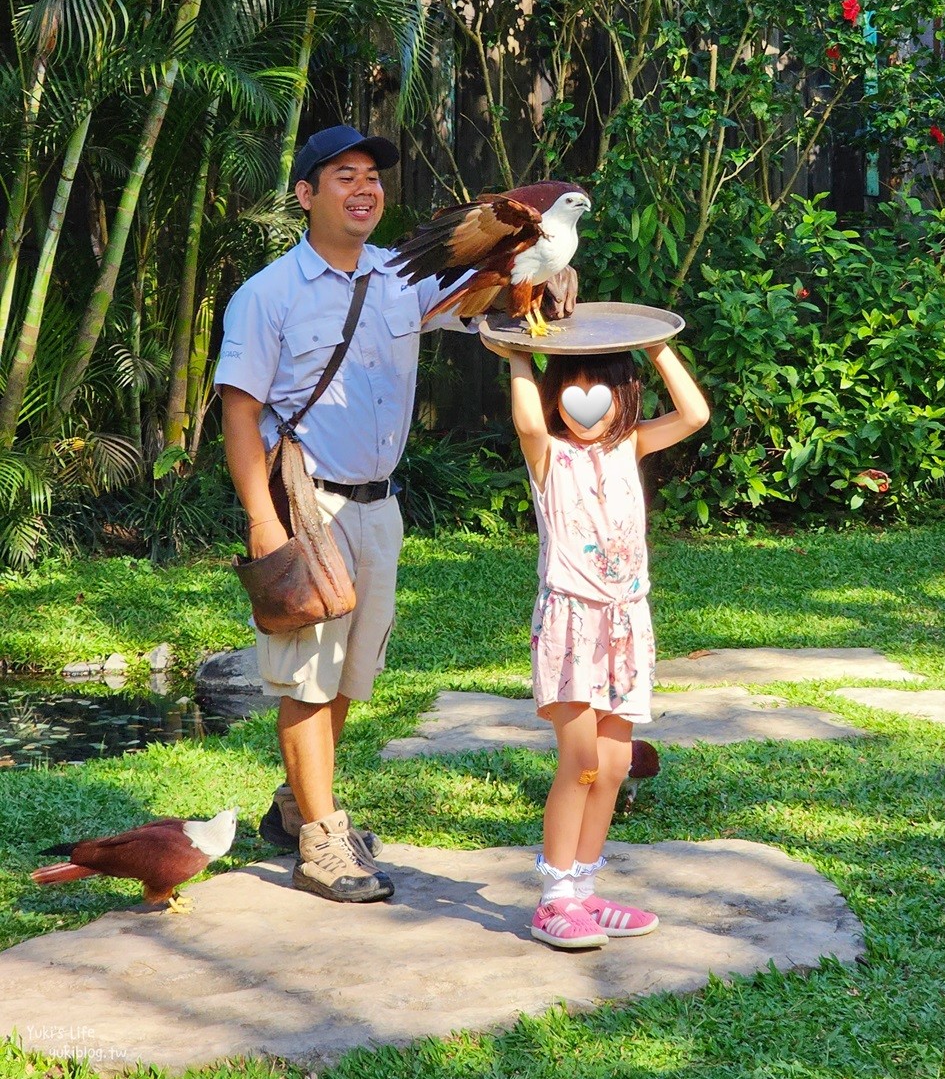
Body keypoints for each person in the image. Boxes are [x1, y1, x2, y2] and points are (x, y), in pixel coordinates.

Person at [216, 124, 477, 905]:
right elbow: (237, 414)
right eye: (343, 177)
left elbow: (483, 299)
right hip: (305, 507)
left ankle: (298, 807)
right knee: (307, 679)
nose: (365, 190)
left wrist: (544, 282)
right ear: (305, 194)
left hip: (379, 508)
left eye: (373, 177)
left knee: (348, 680)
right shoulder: (269, 294)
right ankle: (321, 843)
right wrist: (263, 521)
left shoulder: (403, 278)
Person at [484, 338, 710, 949]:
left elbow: (694, 415)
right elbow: (528, 419)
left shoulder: (630, 445)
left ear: (625, 399)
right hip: (572, 624)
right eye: (574, 394)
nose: (588, 409)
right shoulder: (548, 455)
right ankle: (554, 899)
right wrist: (518, 357)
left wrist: (660, 349)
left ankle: (584, 891)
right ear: (559, 400)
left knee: (612, 765)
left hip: (626, 624)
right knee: (581, 764)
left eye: (603, 395)